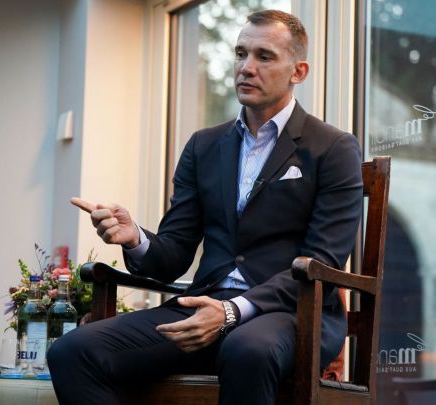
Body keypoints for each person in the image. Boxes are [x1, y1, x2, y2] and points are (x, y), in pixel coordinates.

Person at [47, 9, 362, 405]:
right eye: (240, 53)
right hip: (201, 307)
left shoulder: (333, 148)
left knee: (247, 349)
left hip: (292, 314)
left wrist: (232, 312)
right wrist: (135, 239)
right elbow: (174, 253)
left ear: (298, 71)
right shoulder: (204, 146)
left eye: (264, 56)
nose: (246, 67)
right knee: (72, 351)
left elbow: (324, 262)